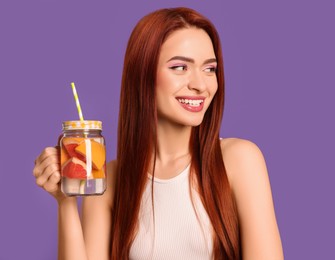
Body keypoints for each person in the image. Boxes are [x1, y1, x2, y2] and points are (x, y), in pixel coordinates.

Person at [33, 7, 283, 260]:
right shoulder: (109, 181)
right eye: (180, 67)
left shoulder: (239, 160)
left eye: (209, 69)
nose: (200, 84)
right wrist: (65, 201)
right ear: (143, 75)